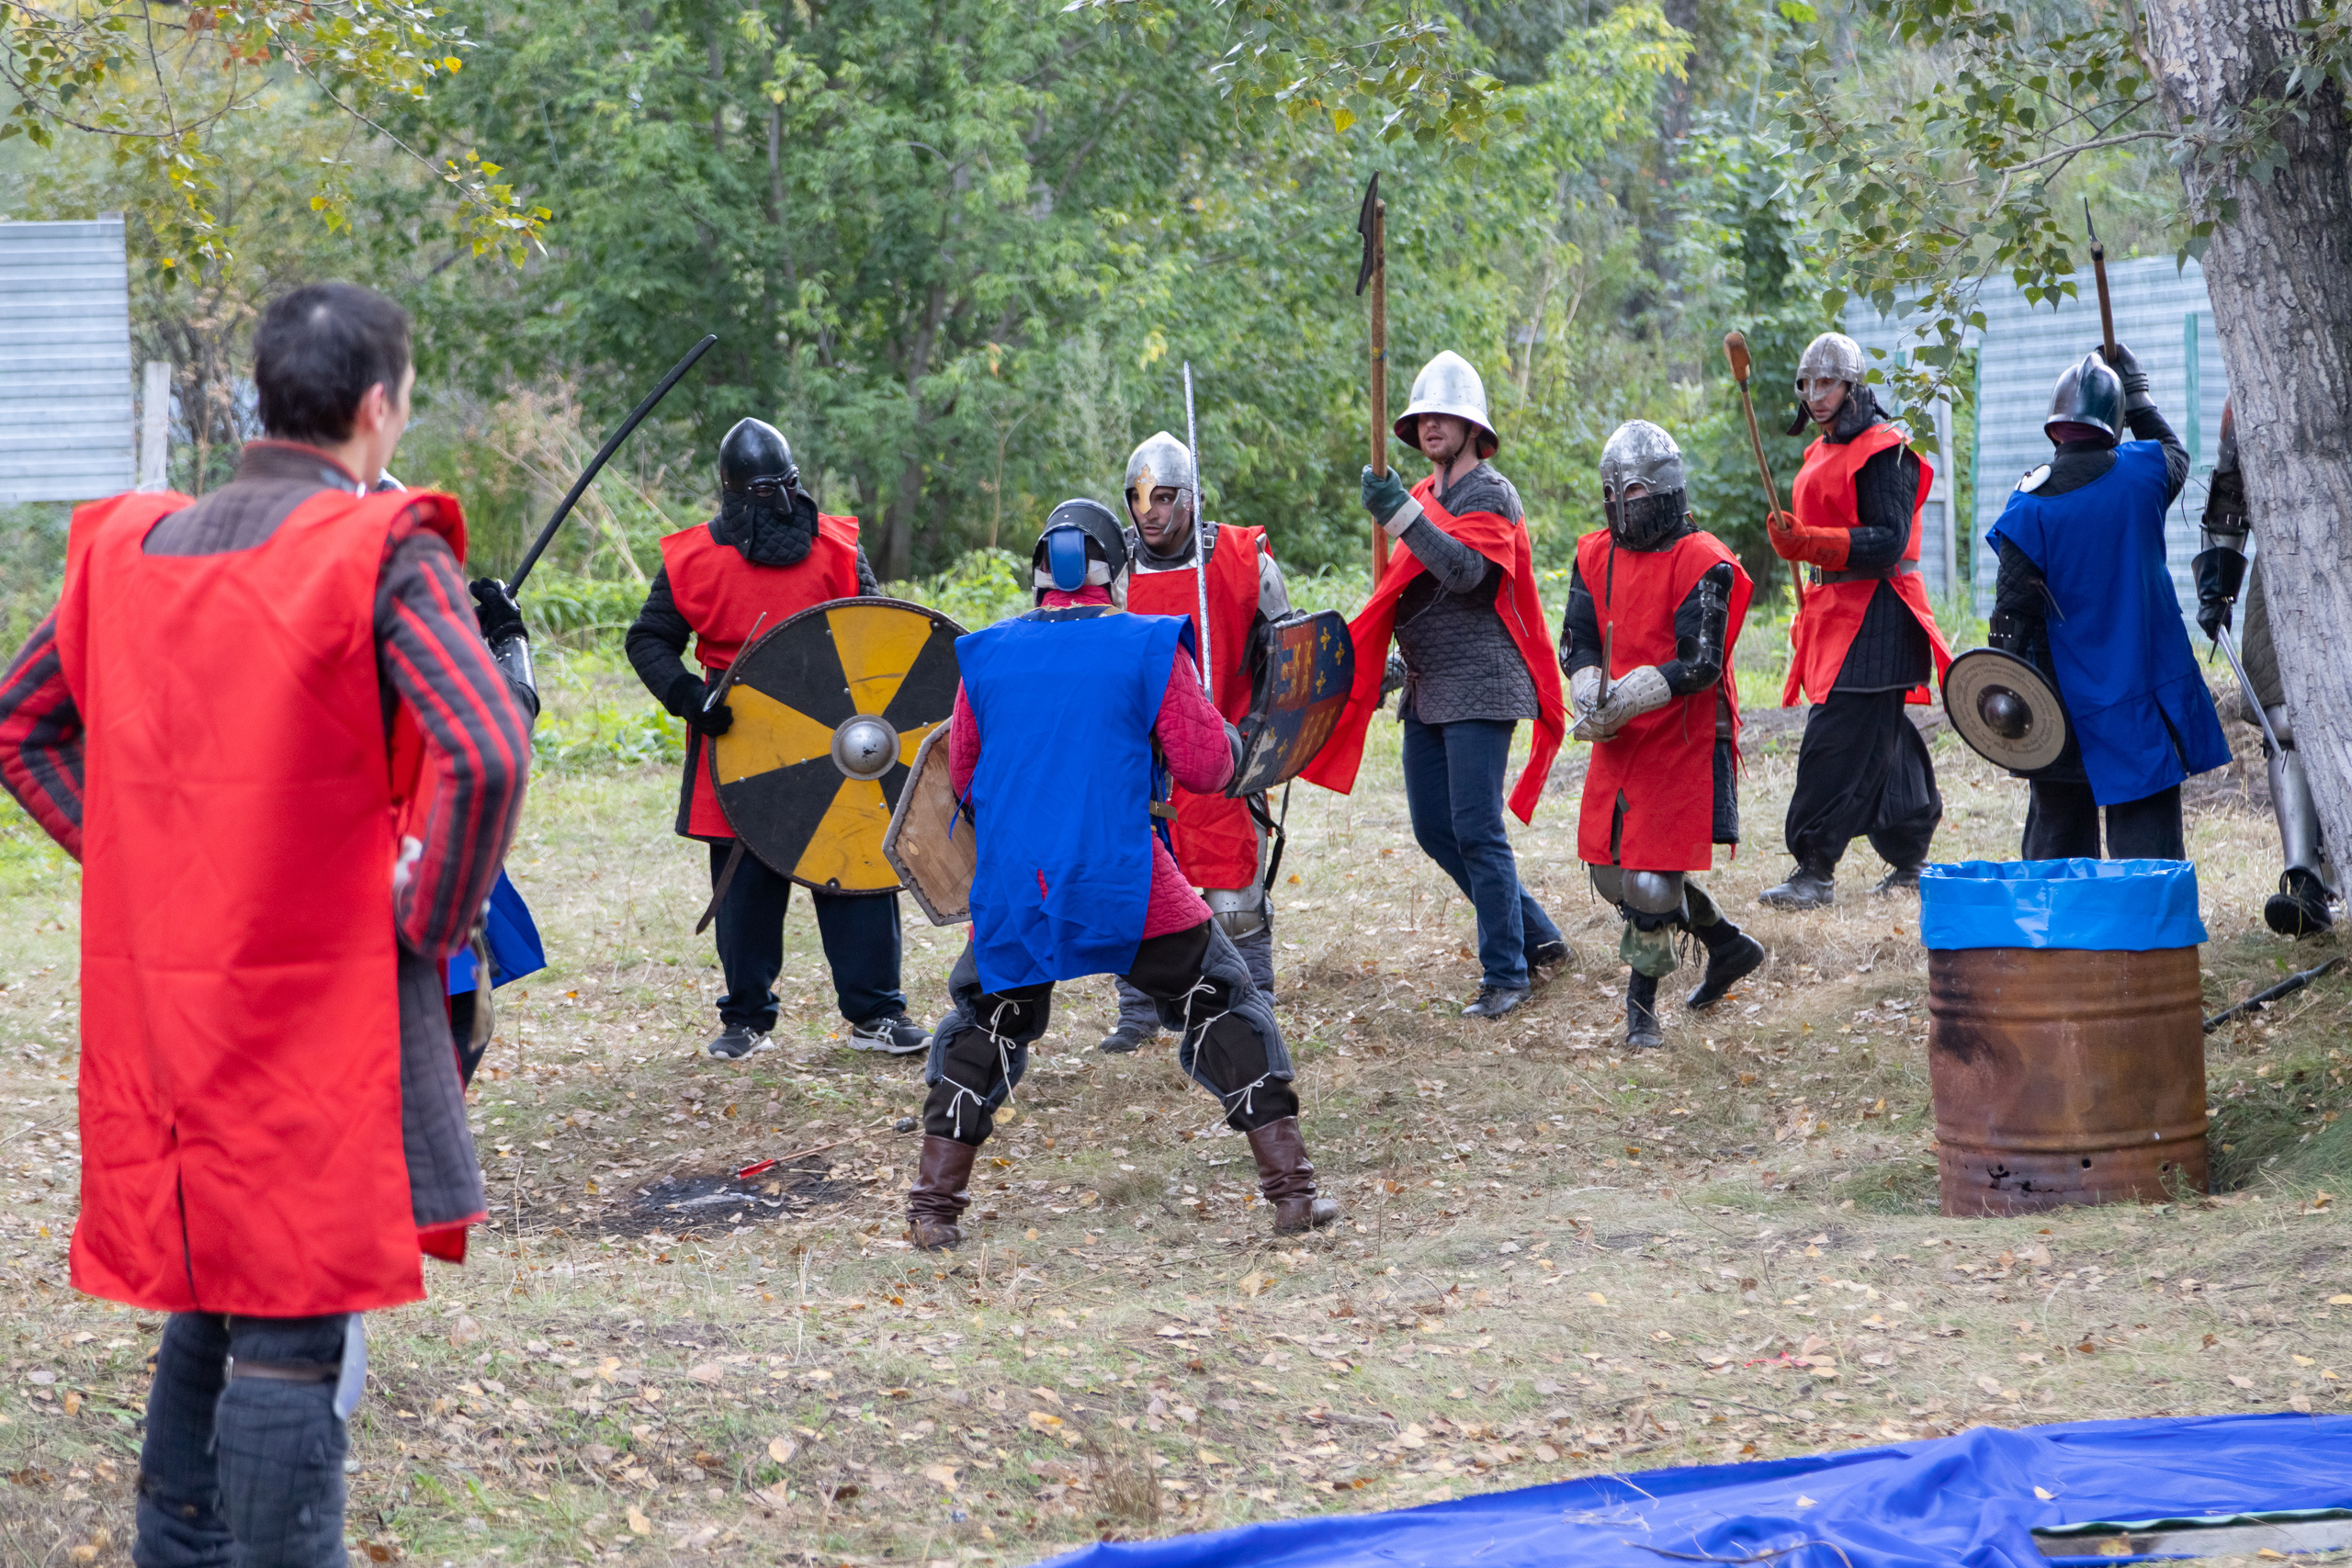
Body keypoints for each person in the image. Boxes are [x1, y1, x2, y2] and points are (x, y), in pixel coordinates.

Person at [0, 282, 530, 1568]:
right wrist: (424, 916)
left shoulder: (138, 544)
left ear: (263, 395)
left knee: (213, 1276)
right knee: (293, 1311)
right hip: (315, 1003)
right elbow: (484, 747)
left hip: (173, 997)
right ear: (378, 407)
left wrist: (152, 867)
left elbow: (21, 725)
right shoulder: (378, 548)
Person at [904, 502, 1337, 1250]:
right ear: (1114, 570)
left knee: (985, 1021)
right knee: (1221, 1000)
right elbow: (1207, 765)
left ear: (1042, 571)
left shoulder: (985, 655)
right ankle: (1293, 1195)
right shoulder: (1146, 643)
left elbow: (965, 778)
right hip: (1123, 876)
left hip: (1020, 884)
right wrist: (1233, 741)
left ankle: (932, 1210)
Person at [627, 418, 929, 1059]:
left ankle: (877, 1012)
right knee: (745, 888)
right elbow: (649, 638)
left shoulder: (839, 548)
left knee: (854, 867)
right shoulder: (693, 560)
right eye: (765, 490)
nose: (783, 501)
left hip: (841, 733)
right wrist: (689, 698)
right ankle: (746, 1019)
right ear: (736, 494)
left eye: (788, 484)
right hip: (742, 739)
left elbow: (877, 630)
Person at [1303, 351, 1567, 1020]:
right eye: (1422, 417)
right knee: (1433, 828)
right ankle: (1537, 935)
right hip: (1429, 686)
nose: (1430, 426)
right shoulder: (1422, 497)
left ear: (1473, 426)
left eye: (1444, 416)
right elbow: (1413, 597)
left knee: (1476, 829)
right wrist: (1384, 664)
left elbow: (1467, 574)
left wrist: (1398, 516)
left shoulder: (1491, 494)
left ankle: (1506, 975)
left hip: (1483, 682)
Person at [1561, 422, 1767, 1047]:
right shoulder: (1594, 554)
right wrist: (1588, 687)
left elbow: (1700, 661)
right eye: (1614, 493)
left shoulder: (1704, 559)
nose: (1624, 506)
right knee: (1612, 873)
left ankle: (1641, 1013)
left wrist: (1629, 696)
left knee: (1651, 882)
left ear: (1666, 489)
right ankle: (1726, 943)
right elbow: (1578, 638)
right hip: (1618, 735)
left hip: (1681, 732)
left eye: (1636, 492)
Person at [1987, 344, 2231, 859]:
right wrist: (2137, 396)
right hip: (2139, 690)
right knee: (2146, 854)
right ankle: (2146, 917)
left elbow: (2012, 618)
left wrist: (2010, 703)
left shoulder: (2028, 503)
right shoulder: (2144, 475)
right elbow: (2173, 450)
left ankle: (2064, 916)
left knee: (2059, 849)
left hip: (2060, 699)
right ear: (2114, 425)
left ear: (2055, 428)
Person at [1101, 431, 1293, 1053]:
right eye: (1138, 497)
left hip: (1222, 750)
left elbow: (1284, 658)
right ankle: (1138, 1013)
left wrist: (1257, 738)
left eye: (1163, 496)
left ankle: (1252, 1003)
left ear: (1190, 498)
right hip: (1138, 761)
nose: (1149, 511)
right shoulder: (1113, 570)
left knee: (1235, 897)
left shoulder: (1241, 559)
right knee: (1136, 886)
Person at [1759, 332, 1954, 908]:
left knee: (1837, 741)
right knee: (1882, 739)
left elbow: (1890, 540)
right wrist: (1797, 543)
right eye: (1807, 384)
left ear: (1851, 386)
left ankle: (1814, 868)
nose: (1815, 395)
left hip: (1880, 612)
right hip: (1835, 612)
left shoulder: (1886, 449)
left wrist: (1812, 542)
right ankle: (1911, 856)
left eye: (1827, 383)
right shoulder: (1818, 451)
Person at [2194, 400, 2334, 934]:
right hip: (2284, 570)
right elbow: (2231, 491)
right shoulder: (2254, 394)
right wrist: (2217, 583)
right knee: (2285, 721)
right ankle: (2304, 882)